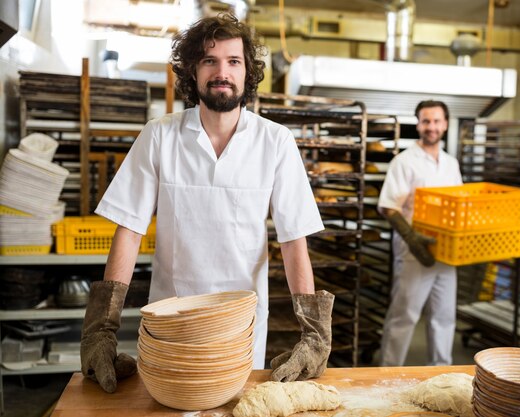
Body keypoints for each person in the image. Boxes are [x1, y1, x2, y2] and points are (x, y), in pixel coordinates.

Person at [80, 13, 334, 393]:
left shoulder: (275, 142)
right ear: (192, 72)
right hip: (170, 320)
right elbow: (129, 230)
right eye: (209, 60)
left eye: (234, 61)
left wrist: (314, 334)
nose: (222, 72)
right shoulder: (159, 136)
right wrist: (101, 328)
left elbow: (294, 239)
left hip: (241, 329)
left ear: (248, 72)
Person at [377, 100, 462, 367]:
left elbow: (459, 204)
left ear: (445, 124)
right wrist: (413, 240)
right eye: (426, 121)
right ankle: (387, 375)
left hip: (446, 254)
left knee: (444, 316)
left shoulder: (451, 163)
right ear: (418, 124)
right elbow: (389, 207)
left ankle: (442, 374)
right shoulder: (404, 161)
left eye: (436, 121)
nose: (431, 127)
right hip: (413, 253)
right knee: (405, 316)